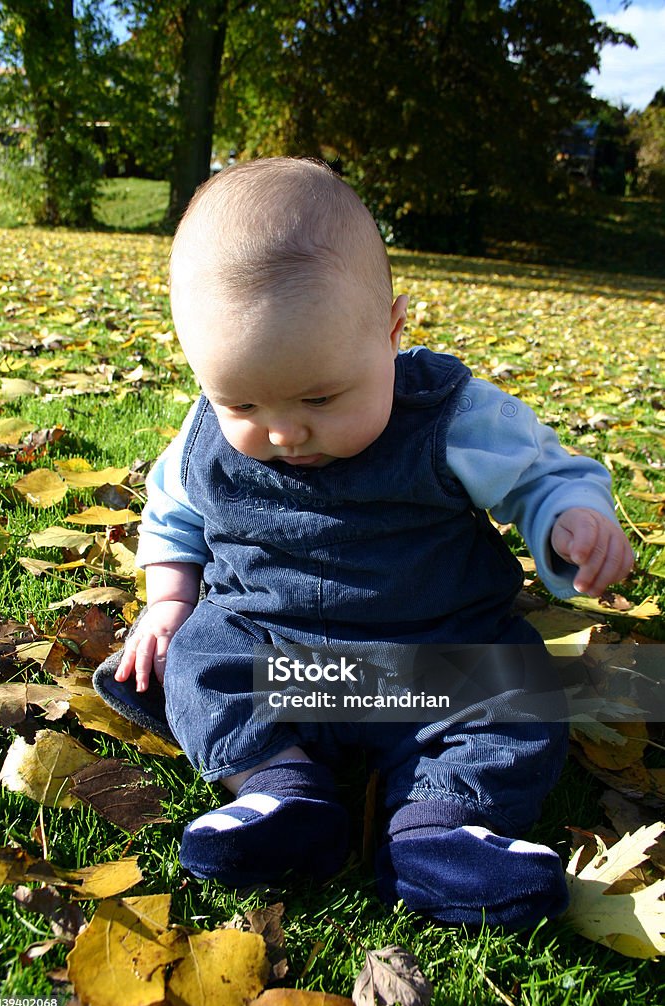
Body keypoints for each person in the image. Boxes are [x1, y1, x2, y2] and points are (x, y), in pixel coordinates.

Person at [97, 157, 633, 928]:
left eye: (320, 396)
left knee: (519, 687)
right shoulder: (203, 435)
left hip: (433, 658)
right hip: (273, 655)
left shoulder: (450, 416)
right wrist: (170, 597)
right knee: (192, 658)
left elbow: (539, 474)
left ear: (390, 330)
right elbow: (172, 515)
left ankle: (441, 828)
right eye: (240, 400)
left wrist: (565, 516)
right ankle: (278, 791)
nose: (282, 431)